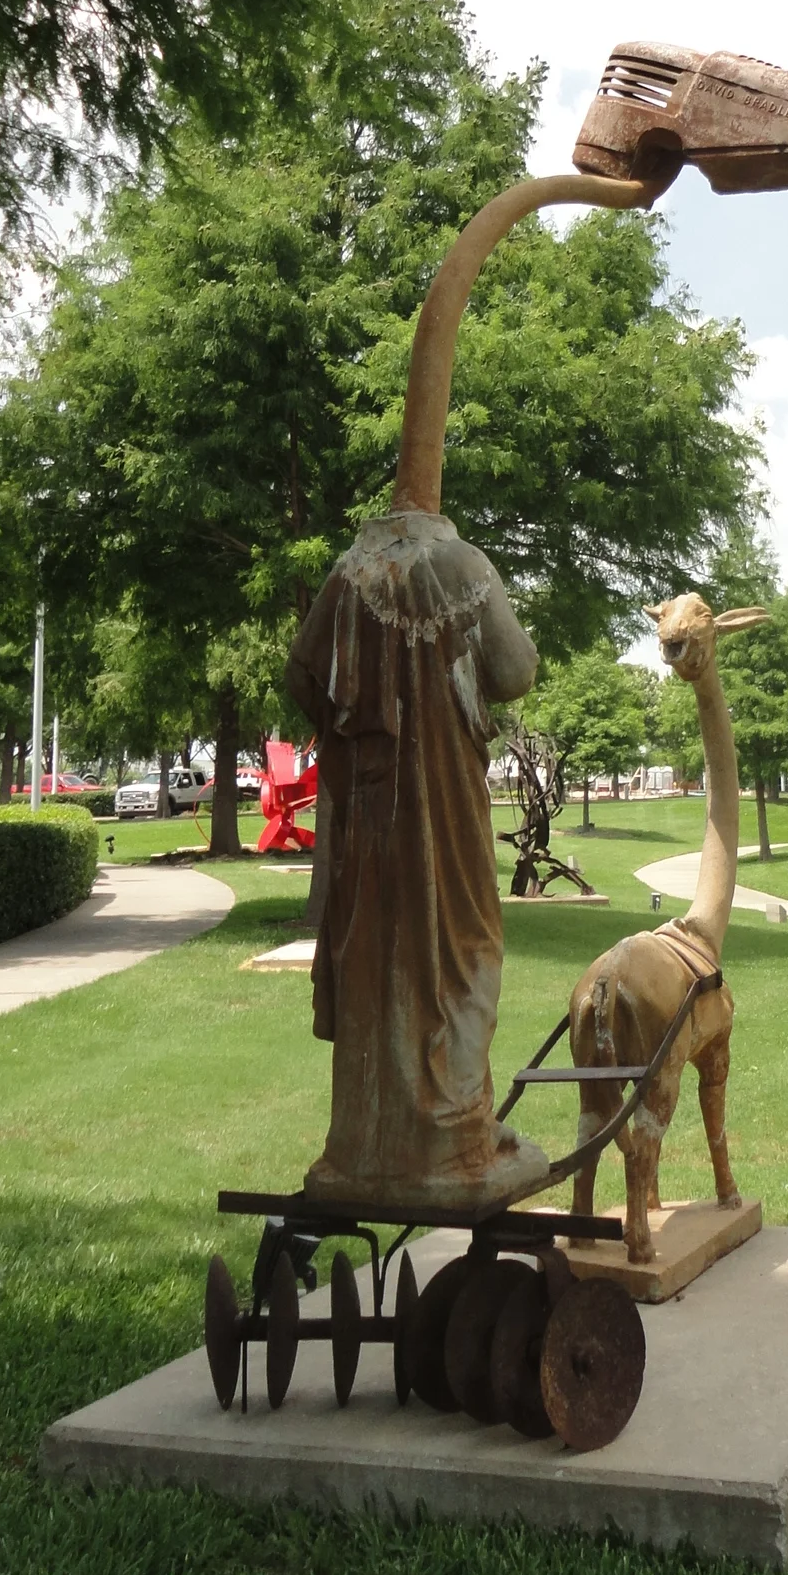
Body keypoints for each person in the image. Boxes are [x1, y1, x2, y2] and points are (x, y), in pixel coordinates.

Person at [285, 510, 551, 1208]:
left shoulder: (348, 572)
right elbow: (515, 669)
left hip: (372, 816)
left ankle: (365, 1146)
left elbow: (304, 677)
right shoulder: (463, 564)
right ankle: (453, 1140)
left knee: (376, 958)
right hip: (444, 804)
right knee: (464, 952)